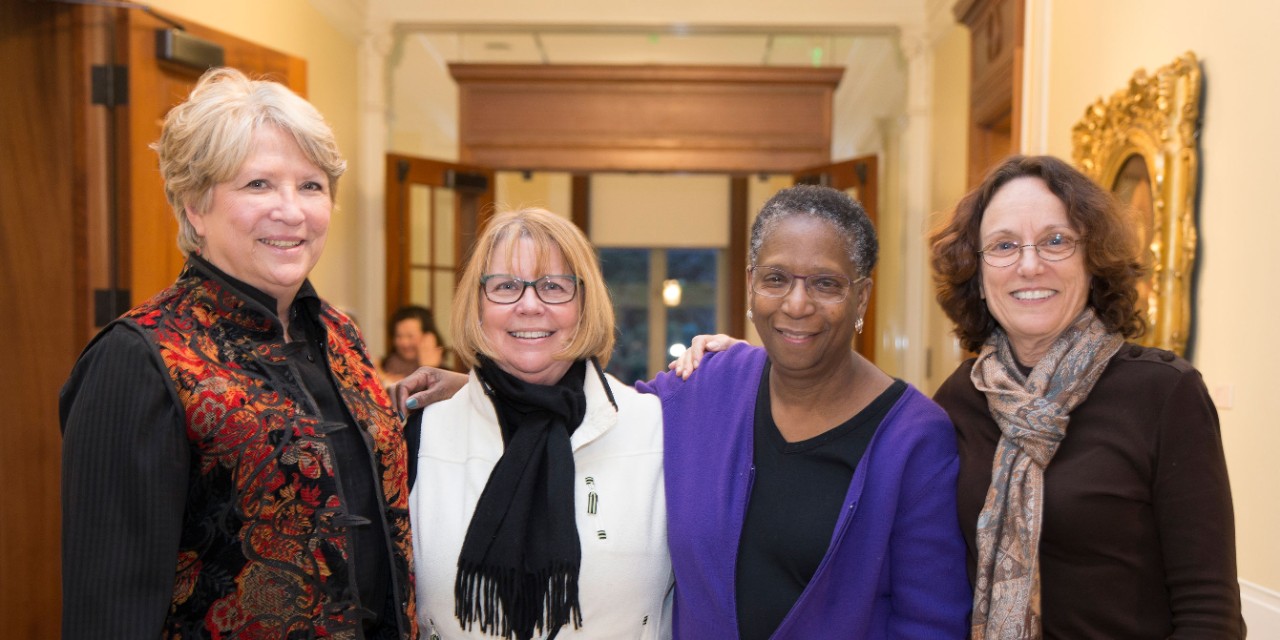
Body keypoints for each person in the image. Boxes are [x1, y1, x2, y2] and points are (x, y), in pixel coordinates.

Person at [398, 186, 971, 639]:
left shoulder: (913, 435)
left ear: (862, 297)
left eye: (825, 283)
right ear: (751, 286)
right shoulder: (708, 386)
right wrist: (475, 388)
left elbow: (930, 619)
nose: (797, 304)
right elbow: (594, 400)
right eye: (776, 279)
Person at [59, 68, 416, 638]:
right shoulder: (142, 358)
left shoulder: (340, 336)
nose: (292, 211)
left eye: (310, 185)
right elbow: (109, 605)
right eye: (258, 185)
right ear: (195, 206)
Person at [929, 154, 1244, 638]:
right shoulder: (960, 398)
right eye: (1004, 245)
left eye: (1056, 241)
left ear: (1092, 258)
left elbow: (1208, 609)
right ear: (978, 272)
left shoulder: (1164, 394)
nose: (1029, 265)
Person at [405, 208, 671, 639]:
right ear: (477, 305)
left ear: (585, 305)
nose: (529, 305)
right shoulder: (419, 436)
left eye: (553, 286)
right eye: (506, 286)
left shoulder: (657, 430)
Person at [381, 304, 446, 384]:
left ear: (429, 337)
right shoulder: (382, 367)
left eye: (410, 336)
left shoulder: (445, 374)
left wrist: (429, 368)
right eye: (399, 336)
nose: (404, 343)